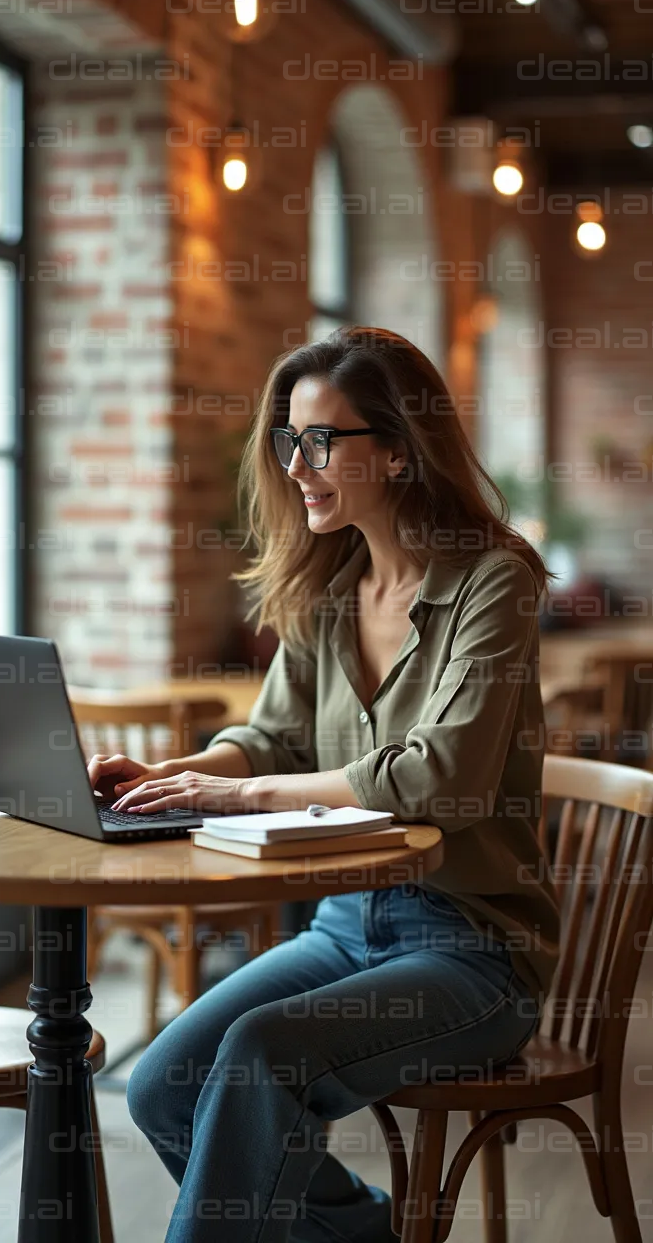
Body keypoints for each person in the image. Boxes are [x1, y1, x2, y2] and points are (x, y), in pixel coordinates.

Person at [88, 326, 561, 1243]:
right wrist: (179, 776)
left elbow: (443, 780)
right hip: (345, 924)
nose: (296, 464)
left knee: (262, 1058)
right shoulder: (329, 589)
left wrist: (235, 799)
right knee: (162, 1085)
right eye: (288, 440)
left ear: (396, 448)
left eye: (320, 441)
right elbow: (267, 740)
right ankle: (358, 1233)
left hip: (472, 949)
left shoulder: (492, 585)